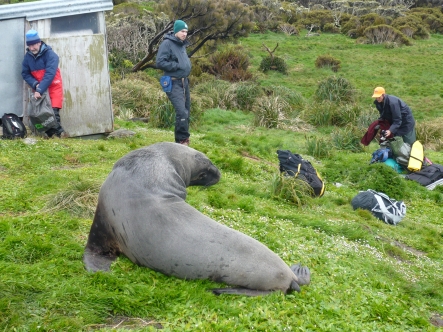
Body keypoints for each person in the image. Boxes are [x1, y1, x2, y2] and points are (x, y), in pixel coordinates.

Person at [21, 29, 67, 138]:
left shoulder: (51, 55)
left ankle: (58, 135)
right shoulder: (27, 57)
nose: (32, 48)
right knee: (42, 115)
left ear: (39, 42)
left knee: (53, 113)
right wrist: (35, 84)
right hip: (38, 88)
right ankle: (52, 136)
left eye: (34, 45)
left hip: (53, 87)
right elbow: (25, 73)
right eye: (30, 46)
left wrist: (40, 89)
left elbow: (50, 74)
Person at [156, 20, 191, 146]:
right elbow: (160, 62)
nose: (184, 34)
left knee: (186, 111)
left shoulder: (181, 44)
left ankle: (183, 139)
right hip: (173, 82)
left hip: (184, 82)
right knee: (181, 112)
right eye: (182, 31)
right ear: (176, 31)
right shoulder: (167, 43)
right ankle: (182, 141)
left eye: (186, 32)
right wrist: (177, 66)